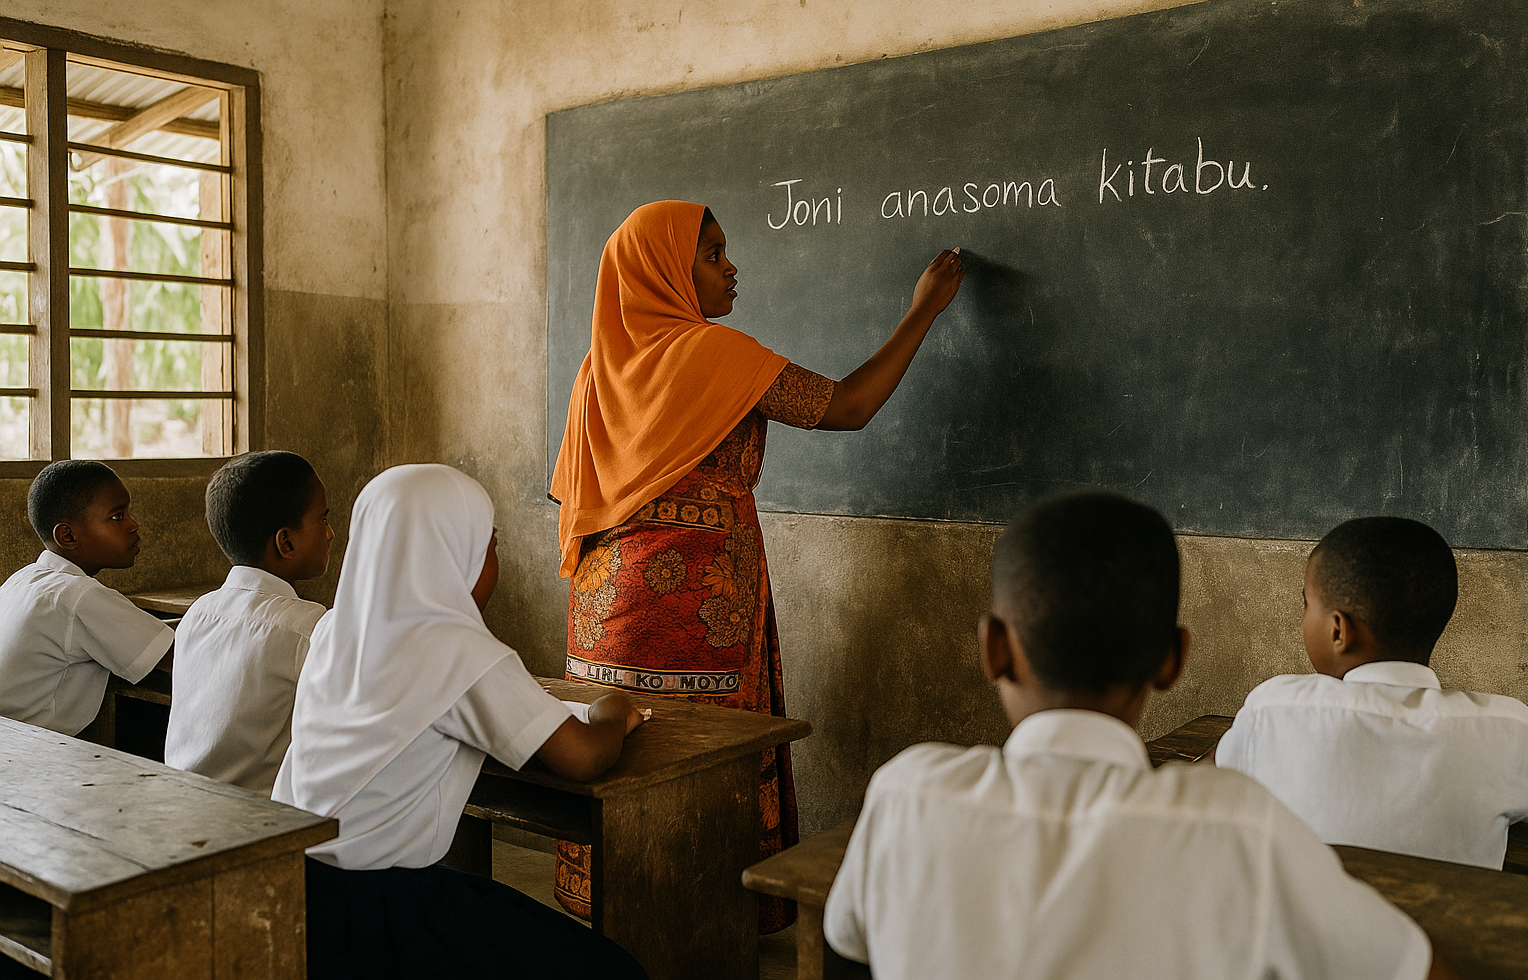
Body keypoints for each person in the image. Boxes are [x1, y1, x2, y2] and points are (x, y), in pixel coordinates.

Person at [823, 492, 1458, 980]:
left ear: (993, 650)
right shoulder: (1242, 831)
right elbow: (1409, 968)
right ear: (1172, 660)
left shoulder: (908, 796)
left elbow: (849, 938)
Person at [549, 199, 964, 928]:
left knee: (622, 760)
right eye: (712, 255)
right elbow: (848, 405)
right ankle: (697, 928)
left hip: (603, 616)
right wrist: (922, 312)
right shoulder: (718, 355)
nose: (731, 266)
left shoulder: (597, 371)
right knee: (700, 770)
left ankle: (607, 920)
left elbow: (574, 495)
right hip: (696, 617)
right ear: (665, 272)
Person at [273, 463, 647, 980]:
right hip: (378, 907)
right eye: (489, 543)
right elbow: (583, 757)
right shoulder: (457, 649)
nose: (493, 559)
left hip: (293, 882)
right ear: (455, 554)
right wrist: (612, 710)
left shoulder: (336, 627)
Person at [1214, 516, 1528, 869]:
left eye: (1307, 604)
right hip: (1447, 924)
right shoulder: (1512, 729)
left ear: (1338, 630)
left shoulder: (1275, 709)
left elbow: (1216, 773)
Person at [165, 451, 334, 794]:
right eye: (323, 520)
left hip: (180, 800)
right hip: (257, 820)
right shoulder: (310, 626)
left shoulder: (200, 611)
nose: (330, 534)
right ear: (286, 542)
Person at [0, 460, 173, 736]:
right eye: (118, 516)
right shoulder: (78, 596)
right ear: (67, 535)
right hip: (33, 758)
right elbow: (175, 657)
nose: (134, 524)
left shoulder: (23, 579)